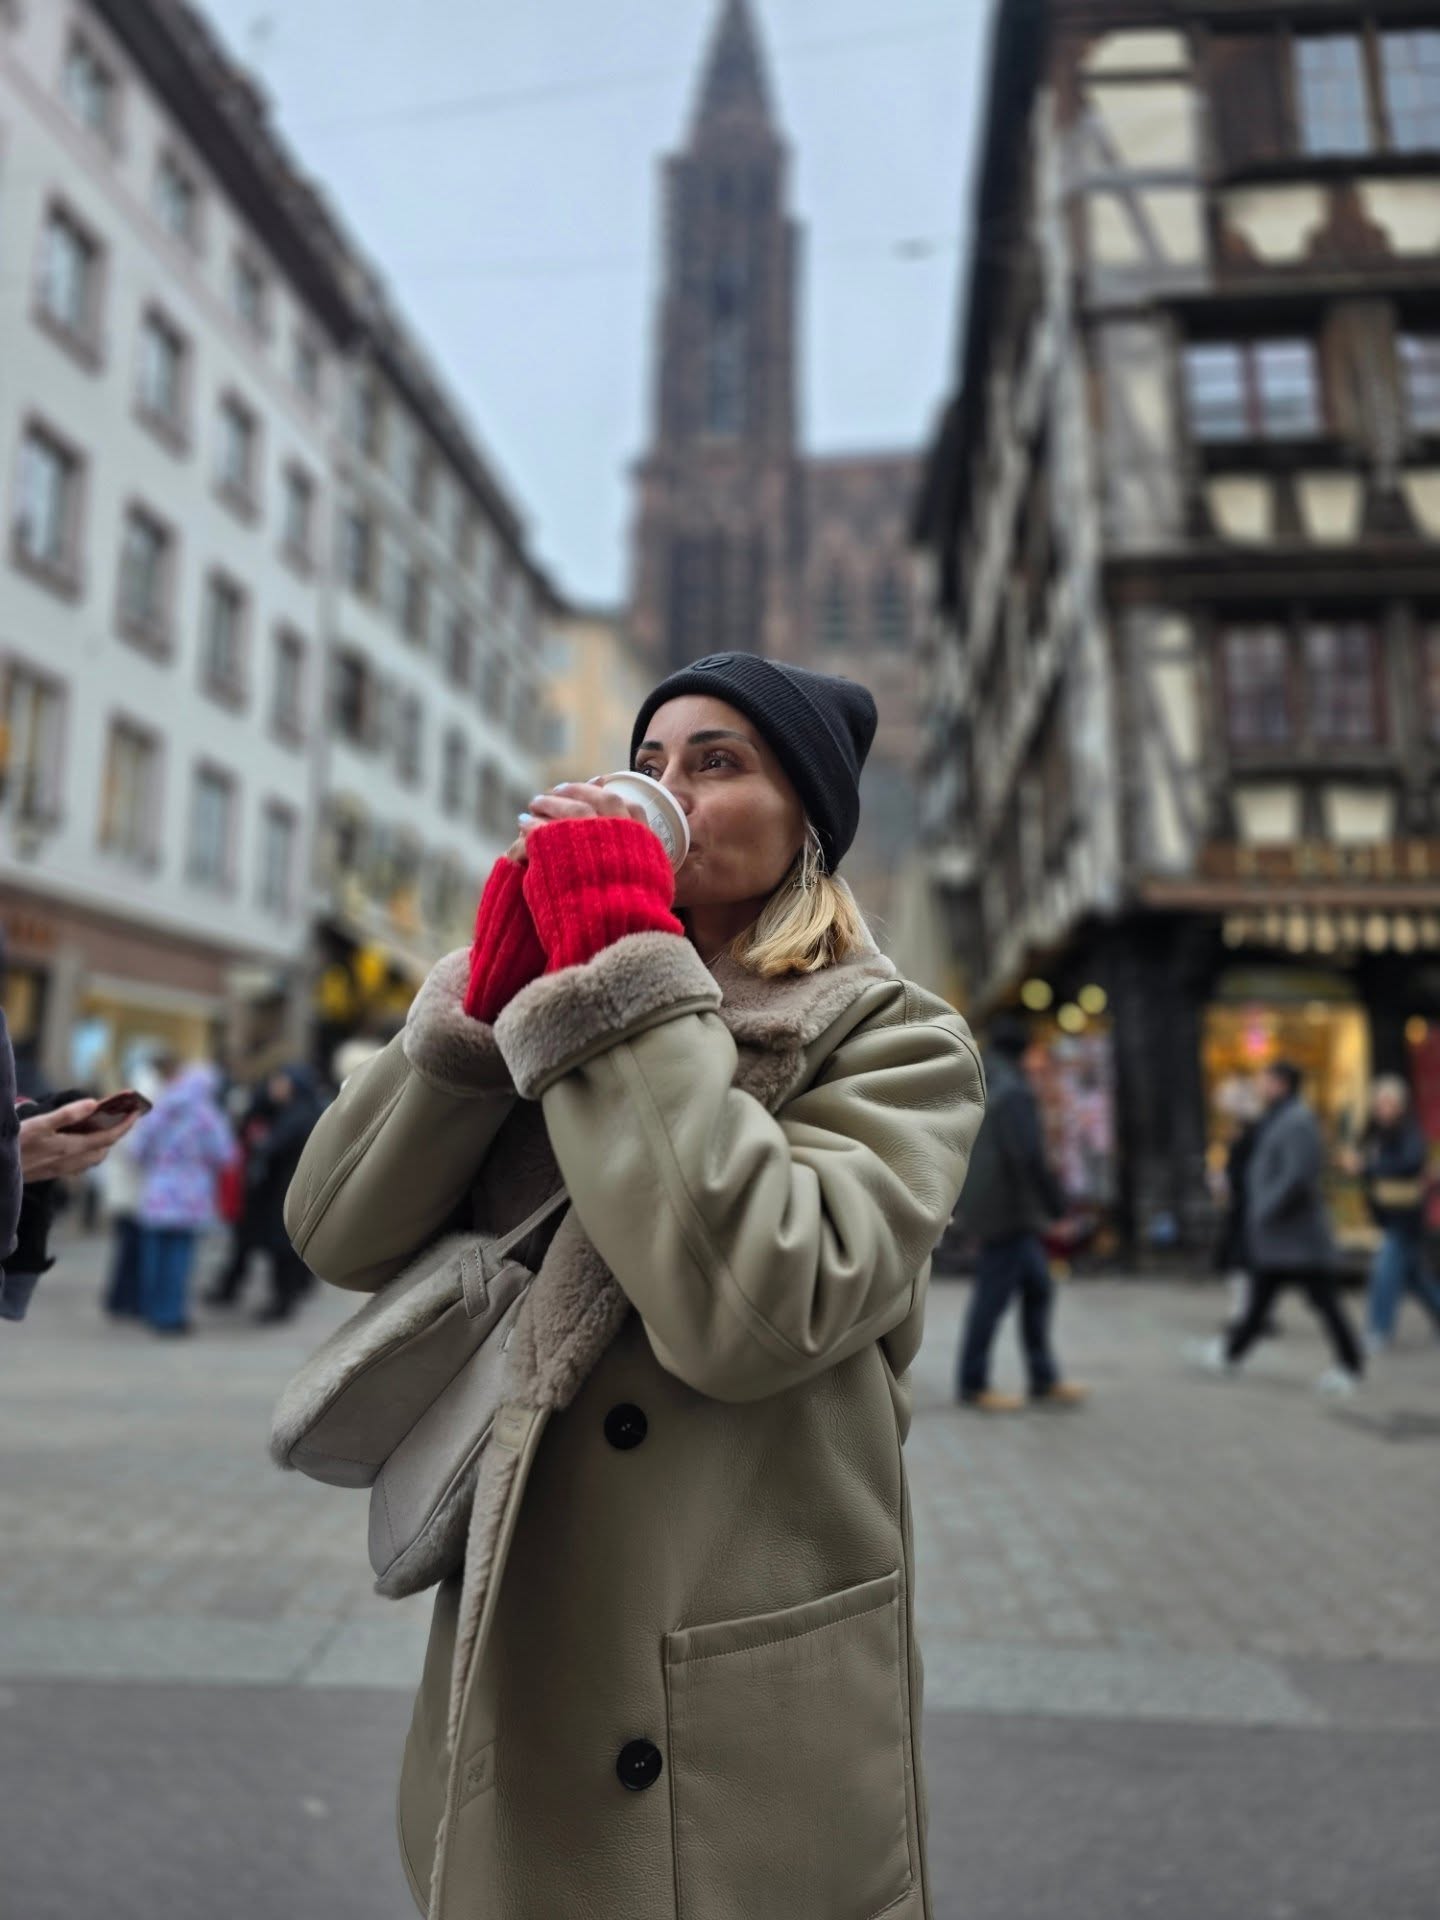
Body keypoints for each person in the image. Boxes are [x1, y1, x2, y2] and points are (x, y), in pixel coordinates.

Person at [284, 653, 987, 1920]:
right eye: (650, 762)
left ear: (807, 821)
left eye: (718, 763)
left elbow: (756, 1307)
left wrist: (615, 967)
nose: (669, 788)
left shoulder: (895, 1036)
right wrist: (485, 1006)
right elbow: (334, 1231)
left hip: (732, 1661)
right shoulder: (553, 1002)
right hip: (535, 1633)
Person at [1194, 1061, 1365, 1393]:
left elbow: (1298, 1176)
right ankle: (1231, 1354)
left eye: (1265, 1081)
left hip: (1297, 1237)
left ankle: (1350, 1365)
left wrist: (1264, 1208)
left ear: (1282, 1083)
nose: (1260, 1087)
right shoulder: (1279, 1117)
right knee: (1260, 1301)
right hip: (1279, 1238)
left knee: (1325, 1303)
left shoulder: (1297, 1120)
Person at [953, 1014, 1088, 1412]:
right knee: (992, 1296)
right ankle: (973, 1383)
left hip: (995, 1203)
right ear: (1025, 1051)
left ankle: (1043, 1378)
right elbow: (1026, 1154)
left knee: (1038, 1287)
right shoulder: (1013, 1090)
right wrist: (1057, 1207)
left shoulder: (985, 1078)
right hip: (1008, 1209)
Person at [132, 1059, 234, 1335]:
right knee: (180, 1257)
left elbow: (137, 1148)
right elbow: (226, 1153)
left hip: (158, 1189)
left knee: (154, 1255)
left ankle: (151, 1309)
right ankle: (171, 1314)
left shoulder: (161, 1109)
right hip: (191, 1193)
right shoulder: (207, 1115)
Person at [1356, 1075, 1440, 1352]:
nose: (1383, 1109)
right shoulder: (1377, 1132)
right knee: (1416, 1278)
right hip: (1391, 1214)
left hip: (1405, 1217)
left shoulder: (1408, 1131)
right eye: (1380, 1103)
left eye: (1388, 1103)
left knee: (1385, 1272)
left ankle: (1379, 1329)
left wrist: (1370, 1167)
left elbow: (1410, 1162)